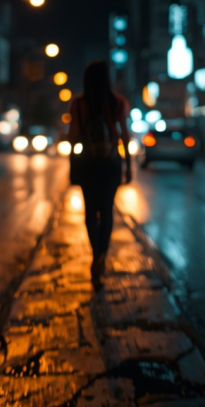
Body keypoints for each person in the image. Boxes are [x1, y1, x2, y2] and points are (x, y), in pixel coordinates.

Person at [67, 61, 132, 290]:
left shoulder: (78, 104)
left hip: (88, 165)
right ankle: (102, 256)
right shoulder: (118, 103)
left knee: (90, 213)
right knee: (106, 212)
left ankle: (95, 256)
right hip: (111, 164)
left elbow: (73, 137)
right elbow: (125, 136)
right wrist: (128, 166)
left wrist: (72, 167)